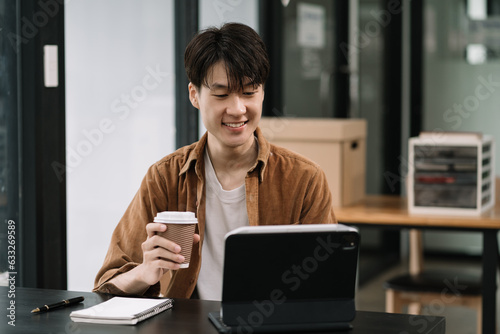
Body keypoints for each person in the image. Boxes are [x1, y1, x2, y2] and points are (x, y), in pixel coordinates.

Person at [93, 22, 337, 300]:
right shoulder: (165, 177)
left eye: (249, 92)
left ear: (263, 93)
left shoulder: (304, 179)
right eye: (221, 94)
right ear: (194, 95)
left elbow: (329, 284)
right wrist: (144, 272)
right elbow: (106, 285)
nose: (237, 109)